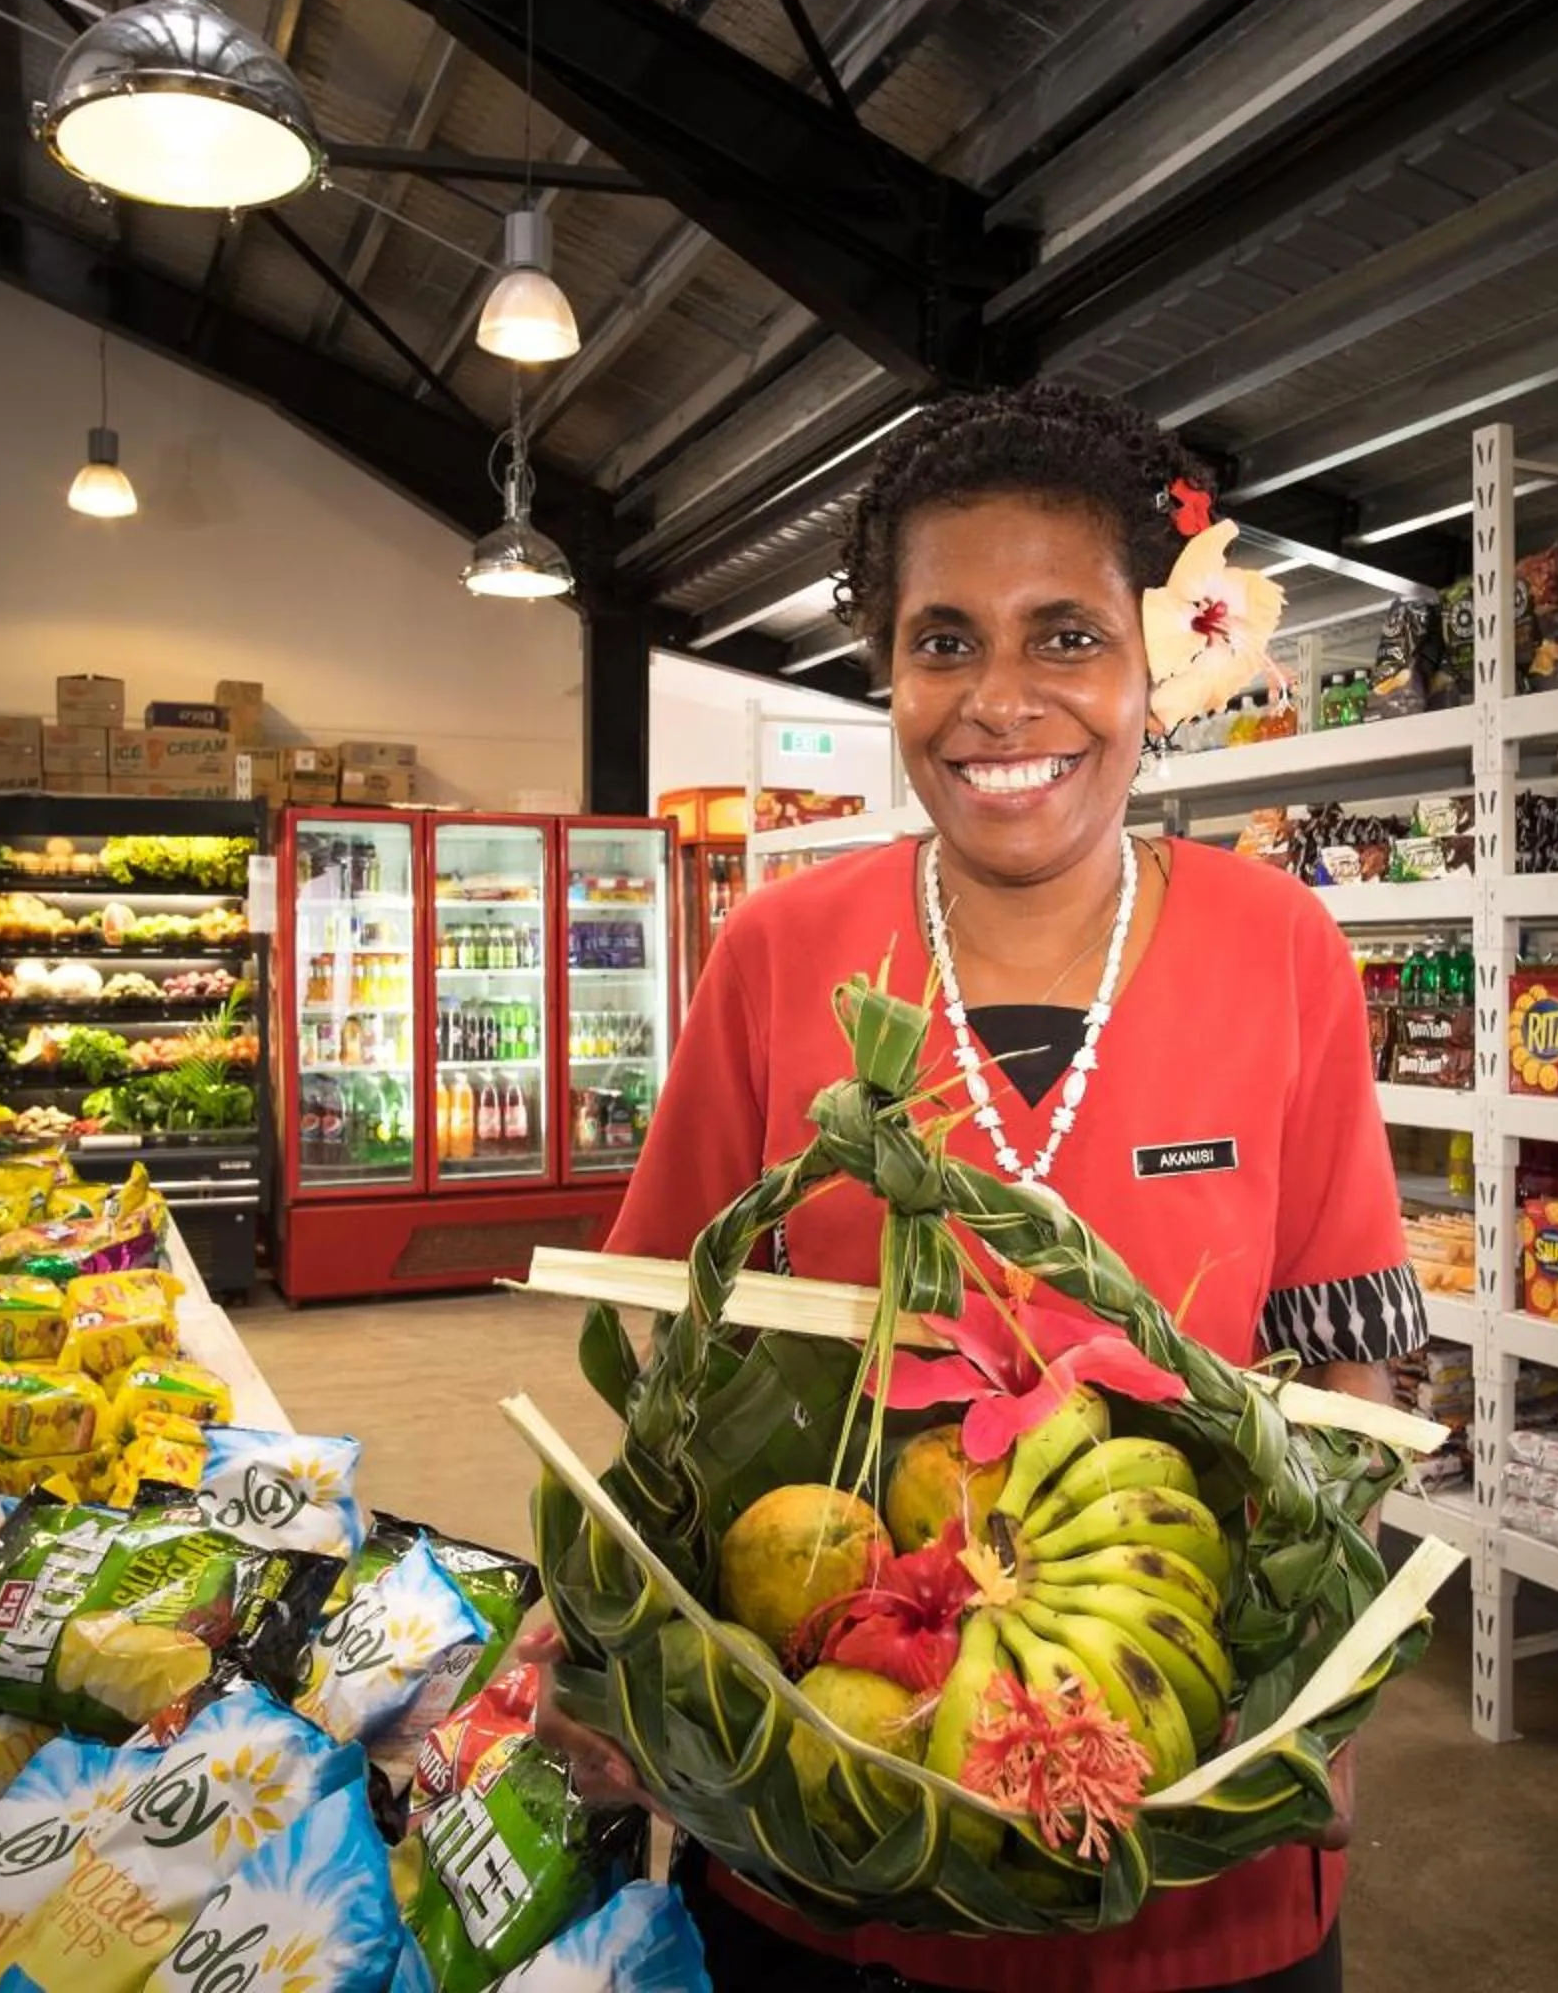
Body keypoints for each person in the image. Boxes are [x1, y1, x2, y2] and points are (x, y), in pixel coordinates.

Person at [544, 383, 1431, 1992]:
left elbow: (1343, 1369)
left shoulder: (1277, 948)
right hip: (833, 1819)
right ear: (886, 668)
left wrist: (1323, 1679)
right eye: (944, 641)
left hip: (1186, 1828)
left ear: (1156, 662)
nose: (999, 702)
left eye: (1065, 637)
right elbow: (668, 1353)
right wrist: (624, 1643)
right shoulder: (781, 953)